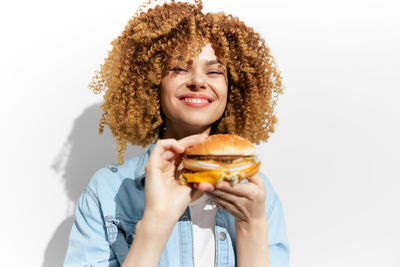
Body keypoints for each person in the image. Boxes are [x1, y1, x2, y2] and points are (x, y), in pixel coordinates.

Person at [64, 0, 289, 266]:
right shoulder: (106, 191)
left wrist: (251, 226)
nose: (198, 81)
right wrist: (156, 222)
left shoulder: (255, 191)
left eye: (214, 71)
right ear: (152, 83)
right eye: (180, 68)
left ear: (234, 90)